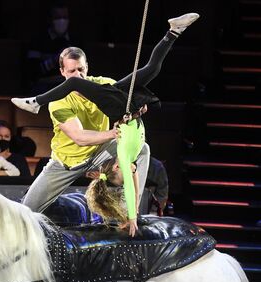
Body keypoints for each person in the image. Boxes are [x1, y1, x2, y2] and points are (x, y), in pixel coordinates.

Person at [14, 13, 199, 236]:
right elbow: (80, 138)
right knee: (26, 210)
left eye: (81, 69)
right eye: (72, 71)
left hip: (100, 153)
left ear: (87, 67)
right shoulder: (59, 101)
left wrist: (136, 107)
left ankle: (133, 212)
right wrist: (113, 133)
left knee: (144, 150)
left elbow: (133, 89)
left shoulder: (102, 86)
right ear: (62, 72)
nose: (78, 75)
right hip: (67, 162)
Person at [26, 2, 80, 93]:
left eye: (65, 17)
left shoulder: (75, 41)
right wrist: (55, 60)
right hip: (44, 88)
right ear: (50, 19)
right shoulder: (37, 41)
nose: (62, 21)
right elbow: (32, 72)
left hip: (69, 87)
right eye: (58, 18)